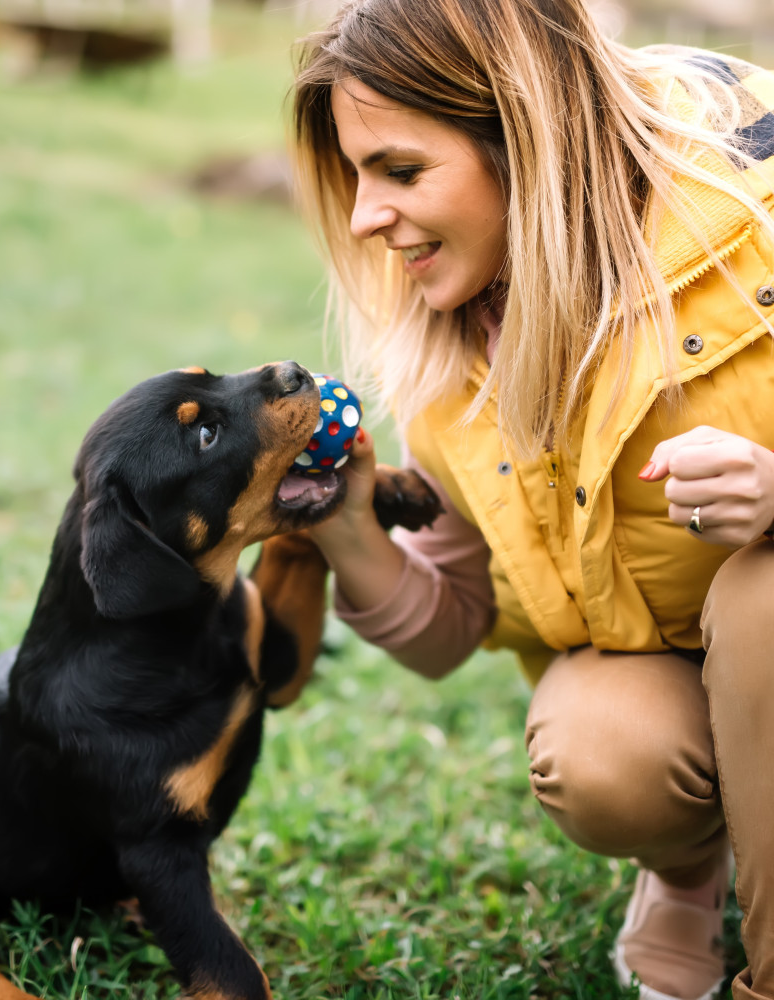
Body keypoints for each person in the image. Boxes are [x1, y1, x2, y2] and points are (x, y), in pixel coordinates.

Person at [289, 0, 774, 997]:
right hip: (671, 661)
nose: (363, 219)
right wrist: (346, 528)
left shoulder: (753, 223)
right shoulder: (452, 340)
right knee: (603, 755)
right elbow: (454, 621)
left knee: (762, 597)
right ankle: (688, 869)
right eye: (355, 174)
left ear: (526, 136)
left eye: (399, 170)